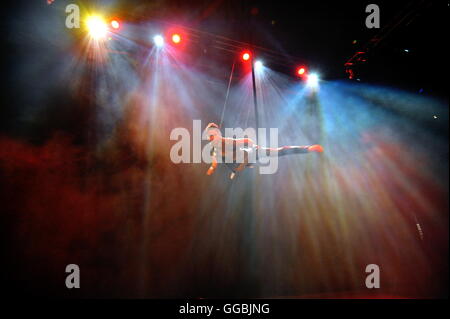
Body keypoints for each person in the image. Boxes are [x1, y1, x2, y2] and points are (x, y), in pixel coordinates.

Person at [204, 122, 324, 179]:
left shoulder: (226, 141)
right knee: (224, 157)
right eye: (211, 136)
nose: (214, 138)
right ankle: (238, 168)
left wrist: (254, 147)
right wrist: (212, 168)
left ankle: (308, 148)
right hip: (240, 162)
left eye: (215, 135)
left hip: (250, 153)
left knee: (278, 151)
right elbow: (214, 162)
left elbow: (247, 141)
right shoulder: (215, 150)